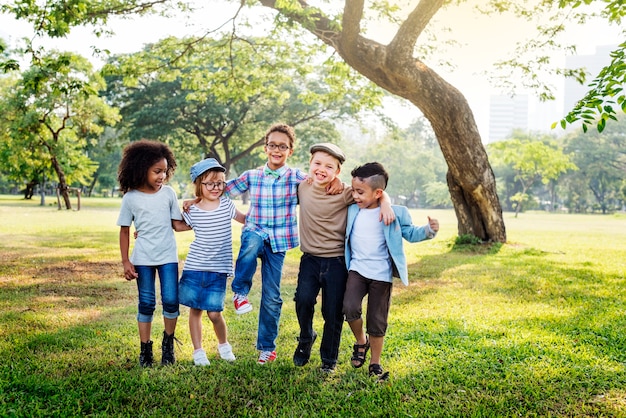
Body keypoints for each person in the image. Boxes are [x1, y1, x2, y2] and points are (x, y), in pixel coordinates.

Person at [293, 144, 395, 373]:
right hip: (309, 258)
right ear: (309, 164)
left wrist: (386, 203)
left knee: (333, 312)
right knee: (303, 300)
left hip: (337, 262)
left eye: (329, 167)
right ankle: (306, 335)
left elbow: (375, 191)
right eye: (317, 164)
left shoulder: (346, 191)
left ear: (337, 172)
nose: (321, 170)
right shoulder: (301, 186)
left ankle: (329, 360)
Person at [343, 162, 439, 381]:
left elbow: (411, 234)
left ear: (378, 193)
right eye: (353, 190)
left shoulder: (395, 212)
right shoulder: (351, 209)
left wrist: (429, 230)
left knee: (377, 321)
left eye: (360, 192)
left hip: (381, 275)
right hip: (357, 269)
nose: (355, 196)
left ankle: (375, 362)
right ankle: (360, 341)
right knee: (349, 307)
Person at [116, 139, 183, 368]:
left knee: (172, 302)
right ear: (141, 169)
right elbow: (125, 231)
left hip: (168, 258)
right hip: (143, 259)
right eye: (157, 172)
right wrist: (126, 261)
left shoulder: (169, 194)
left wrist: (200, 213)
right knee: (146, 304)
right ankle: (145, 350)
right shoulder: (130, 198)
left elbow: (178, 224)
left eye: (164, 171)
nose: (162, 176)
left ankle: (168, 345)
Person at [174, 158, 246, 366]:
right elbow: (178, 226)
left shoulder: (226, 204)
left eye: (220, 183)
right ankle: (198, 352)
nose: (216, 187)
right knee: (195, 310)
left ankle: (224, 345)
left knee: (215, 313)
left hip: (218, 270)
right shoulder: (192, 210)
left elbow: (244, 219)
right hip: (195, 267)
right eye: (210, 183)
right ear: (199, 185)